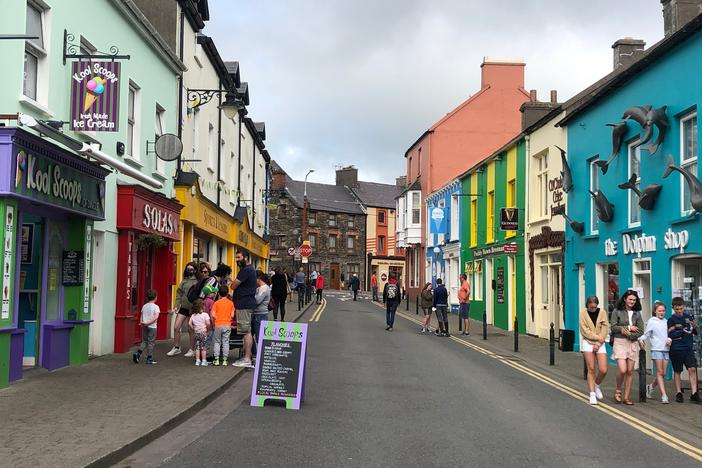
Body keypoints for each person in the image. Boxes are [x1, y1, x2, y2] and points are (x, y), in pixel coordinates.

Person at [610, 290, 644, 405]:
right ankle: (618, 390)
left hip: (632, 343)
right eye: (630, 299)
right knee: (623, 369)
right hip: (620, 342)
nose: (632, 302)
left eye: (634, 300)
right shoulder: (617, 311)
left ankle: (626, 397)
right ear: (625, 299)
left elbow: (641, 330)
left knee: (630, 371)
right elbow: (613, 327)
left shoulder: (637, 313)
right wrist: (628, 327)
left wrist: (630, 335)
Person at [668, 296, 700, 403]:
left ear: (684, 307)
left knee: (692, 369)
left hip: (688, 347)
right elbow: (670, 334)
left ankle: (694, 393)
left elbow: (695, 332)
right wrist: (681, 330)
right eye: (677, 309)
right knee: (678, 371)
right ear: (673, 308)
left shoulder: (688, 317)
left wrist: (695, 327)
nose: (679, 311)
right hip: (676, 348)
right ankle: (678, 393)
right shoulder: (671, 319)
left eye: (681, 308)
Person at [579, 295, 609, 405]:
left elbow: (605, 328)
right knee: (591, 368)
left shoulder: (602, 313)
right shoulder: (583, 314)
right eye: (591, 307)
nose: (593, 309)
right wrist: (598, 338)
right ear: (587, 305)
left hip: (600, 343)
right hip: (588, 342)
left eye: (595, 307)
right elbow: (584, 330)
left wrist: (598, 342)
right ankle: (592, 394)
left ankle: (597, 385)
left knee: (603, 369)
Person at [640, 301, 671, 403]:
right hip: (656, 349)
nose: (662, 312)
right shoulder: (652, 321)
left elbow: (669, 335)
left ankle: (650, 387)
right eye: (659, 311)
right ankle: (664, 396)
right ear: (655, 311)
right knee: (660, 372)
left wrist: (670, 340)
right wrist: (640, 339)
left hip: (666, 349)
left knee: (664, 373)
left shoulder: (666, 321)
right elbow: (647, 334)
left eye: (663, 311)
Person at [231, 250, 257, 368]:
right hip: (245, 303)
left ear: (245, 257)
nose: (237, 259)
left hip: (244, 304)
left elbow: (234, 285)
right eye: (236, 257)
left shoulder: (246, 270)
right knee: (246, 331)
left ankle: (247, 358)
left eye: (239, 257)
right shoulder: (248, 269)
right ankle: (248, 356)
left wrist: (232, 284)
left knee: (246, 331)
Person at [167, 262, 199, 357]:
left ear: (195, 270)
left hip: (193, 309)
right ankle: (176, 347)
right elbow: (179, 293)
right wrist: (177, 305)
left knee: (191, 329)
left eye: (191, 269)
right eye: (188, 269)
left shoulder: (198, 281)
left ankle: (192, 349)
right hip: (183, 307)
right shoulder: (184, 281)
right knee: (176, 327)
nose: (190, 271)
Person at [132, 289, 159, 365]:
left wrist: (142, 322)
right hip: (152, 327)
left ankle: (138, 354)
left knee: (144, 341)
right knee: (151, 342)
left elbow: (141, 315)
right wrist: (148, 323)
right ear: (155, 297)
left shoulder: (144, 306)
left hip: (144, 326)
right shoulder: (156, 307)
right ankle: (149, 359)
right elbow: (156, 317)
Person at [211, 285, 234, 366]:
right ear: (227, 293)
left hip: (218, 324)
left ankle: (216, 359)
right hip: (227, 324)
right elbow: (232, 315)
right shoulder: (231, 303)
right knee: (226, 342)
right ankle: (225, 360)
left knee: (217, 342)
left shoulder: (216, 303)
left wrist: (215, 320)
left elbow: (213, 315)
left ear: (219, 293)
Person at [253, 270, 272, 359]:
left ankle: (260, 356)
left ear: (258, 278)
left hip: (260, 314)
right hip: (256, 314)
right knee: (249, 334)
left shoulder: (264, 288)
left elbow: (257, 301)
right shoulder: (259, 287)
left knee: (259, 336)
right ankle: (254, 353)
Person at [188, 299, 211, 366]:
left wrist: (193, 328)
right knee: (203, 347)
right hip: (203, 332)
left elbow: (189, 323)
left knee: (197, 347)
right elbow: (208, 323)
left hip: (196, 333)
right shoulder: (205, 315)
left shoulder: (193, 315)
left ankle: (197, 361)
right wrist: (207, 328)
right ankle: (204, 360)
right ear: (202, 307)